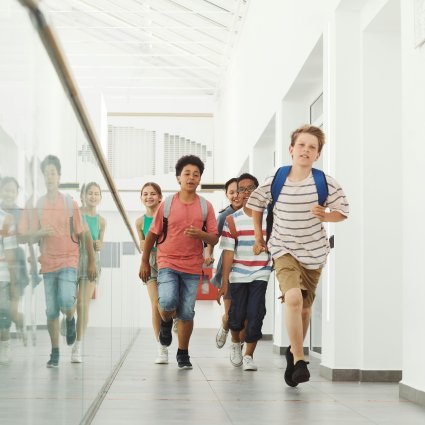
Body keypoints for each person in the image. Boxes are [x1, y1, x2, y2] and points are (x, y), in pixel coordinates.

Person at [247, 124, 349, 386]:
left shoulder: (324, 182)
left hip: (314, 253)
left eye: (312, 147)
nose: (306, 150)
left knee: (304, 309)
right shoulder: (277, 177)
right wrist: (259, 236)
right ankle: (301, 359)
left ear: (317, 154)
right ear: (291, 149)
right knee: (292, 299)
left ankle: (294, 356)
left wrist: (326, 215)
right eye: (301, 145)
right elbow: (255, 206)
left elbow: (342, 212)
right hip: (283, 249)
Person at [139, 155, 218, 369]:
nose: (191, 178)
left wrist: (201, 235)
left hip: (192, 266)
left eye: (196, 174)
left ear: (199, 179)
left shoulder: (206, 206)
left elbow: (214, 238)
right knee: (165, 302)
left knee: (186, 312)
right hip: (167, 263)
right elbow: (152, 235)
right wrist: (145, 261)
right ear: (178, 178)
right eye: (187, 174)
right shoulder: (166, 205)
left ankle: (183, 353)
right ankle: (165, 323)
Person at [20, 155, 96, 368]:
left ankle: (70, 319)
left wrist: (90, 261)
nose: (50, 176)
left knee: (65, 301)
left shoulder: (70, 203)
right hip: (47, 263)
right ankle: (55, 352)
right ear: (43, 177)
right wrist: (39, 232)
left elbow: (84, 234)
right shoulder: (38, 205)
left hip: (68, 261)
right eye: (46, 173)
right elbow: (27, 237)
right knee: (52, 311)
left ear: (59, 176)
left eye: (53, 173)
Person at [217, 173, 272, 371]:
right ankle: (235, 344)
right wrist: (224, 282)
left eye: (251, 188)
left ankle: (249, 355)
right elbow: (228, 253)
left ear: (258, 191)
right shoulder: (232, 220)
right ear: (237, 194)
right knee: (237, 315)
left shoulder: (269, 218)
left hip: (261, 271)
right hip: (238, 274)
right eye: (242, 189)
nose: (247, 192)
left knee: (256, 313)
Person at [204, 178, 243, 349]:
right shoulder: (224, 216)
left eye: (239, 191)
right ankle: (225, 324)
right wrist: (209, 253)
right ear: (227, 195)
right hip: (228, 268)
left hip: (249, 267)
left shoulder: (256, 213)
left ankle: (239, 346)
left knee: (245, 312)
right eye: (231, 192)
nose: (236, 195)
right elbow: (212, 238)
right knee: (230, 313)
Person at [72, 182, 106, 363]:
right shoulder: (76, 216)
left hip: (92, 263)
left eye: (96, 193)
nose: (93, 196)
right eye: (89, 193)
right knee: (69, 306)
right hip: (73, 259)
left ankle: (77, 345)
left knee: (83, 305)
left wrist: (100, 243)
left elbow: (100, 242)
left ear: (100, 197)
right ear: (82, 196)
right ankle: (69, 323)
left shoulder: (101, 221)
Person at [135, 182, 168, 364]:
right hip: (150, 263)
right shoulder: (139, 222)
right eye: (145, 194)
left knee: (167, 303)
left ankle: (170, 323)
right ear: (141, 198)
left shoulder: (166, 217)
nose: (149, 196)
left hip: (167, 261)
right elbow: (142, 245)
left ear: (160, 197)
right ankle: (161, 347)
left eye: (153, 193)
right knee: (155, 303)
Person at [0, 177, 30, 345]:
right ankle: (5, 339)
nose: (9, 193)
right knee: (4, 310)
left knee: (11, 310)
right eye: (6, 189)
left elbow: (28, 236)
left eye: (12, 190)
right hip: (3, 263)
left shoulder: (22, 213)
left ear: (17, 193)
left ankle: (20, 322)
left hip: (16, 263)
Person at [0, 205, 17, 365]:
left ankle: (4, 344)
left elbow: (10, 251)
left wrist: (13, 279)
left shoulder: (6, 219)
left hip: (2, 276)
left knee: (2, 314)